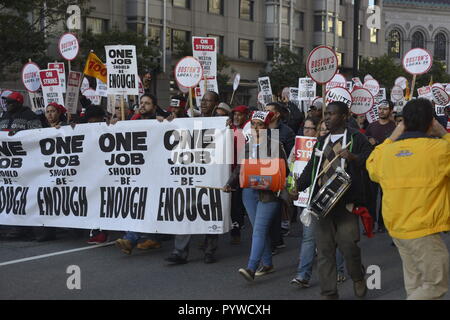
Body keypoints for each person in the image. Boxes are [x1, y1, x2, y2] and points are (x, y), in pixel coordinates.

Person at [366, 98, 450, 300]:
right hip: (424, 230)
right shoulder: (438, 150)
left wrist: (392, 137)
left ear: (403, 122)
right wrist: (444, 133)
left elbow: (372, 166)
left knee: (416, 286)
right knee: (434, 285)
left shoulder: (385, 153)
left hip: (398, 230)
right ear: (431, 122)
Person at [295, 101, 373, 299]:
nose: (327, 118)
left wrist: (353, 157)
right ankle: (329, 292)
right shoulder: (322, 141)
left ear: (345, 116)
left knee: (349, 246)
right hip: (323, 203)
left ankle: (357, 277)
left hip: (346, 203)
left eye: (332, 114)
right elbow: (312, 167)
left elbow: (371, 159)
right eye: (326, 114)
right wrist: (298, 187)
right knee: (324, 251)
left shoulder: (356, 138)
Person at [223, 111, 287, 281]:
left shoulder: (275, 145)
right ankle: (267, 264)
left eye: (260, 125)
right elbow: (239, 169)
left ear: (266, 127)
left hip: (268, 195)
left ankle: (251, 268)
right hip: (249, 193)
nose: (256, 128)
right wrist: (230, 183)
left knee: (258, 230)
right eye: (253, 124)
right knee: (260, 229)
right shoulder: (247, 146)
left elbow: (282, 171)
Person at [165, 91, 222, 265]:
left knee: (211, 211)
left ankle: (210, 250)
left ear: (216, 104)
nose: (204, 103)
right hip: (190, 173)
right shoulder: (189, 120)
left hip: (212, 173)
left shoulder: (222, 122)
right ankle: (179, 251)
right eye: (202, 100)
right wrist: (165, 123)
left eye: (208, 101)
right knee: (184, 211)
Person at [290, 116, 347, 288]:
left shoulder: (345, 143)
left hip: (338, 197)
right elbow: (309, 171)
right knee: (309, 237)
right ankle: (303, 274)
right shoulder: (318, 145)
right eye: (321, 130)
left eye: (325, 130)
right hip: (316, 198)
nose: (323, 133)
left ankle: (339, 270)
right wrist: (298, 187)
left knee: (336, 237)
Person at [0, 91, 42, 240]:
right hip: (7, 165)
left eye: (10, 102)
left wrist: (20, 135)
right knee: (9, 194)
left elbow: (38, 134)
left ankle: (25, 227)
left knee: (24, 195)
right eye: (6, 102)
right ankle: (14, 225)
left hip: (25, 163)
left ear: (18, 102)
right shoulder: (3, 117)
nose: (7, 104)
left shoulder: (29, 116)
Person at [365, 100, 396, 233]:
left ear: (390, 110)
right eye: (380, 108)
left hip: (388, 167)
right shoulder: (371, 126)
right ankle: (370, 225)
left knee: (385, 197)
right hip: (373, 166)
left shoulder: (394, 127)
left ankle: (383, 224)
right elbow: (364, 142)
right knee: (370, 197)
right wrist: (368, 140)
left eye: (385, 109)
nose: (381, 111)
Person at [228, 105, 251, 245]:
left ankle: (237, 229)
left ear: (246, 116)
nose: (237, 117)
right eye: (234, 114)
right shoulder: (231, 129)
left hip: (243, 171)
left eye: (240, 114)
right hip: (230, 169)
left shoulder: (248, 129)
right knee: (233, 201)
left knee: (238, 202)